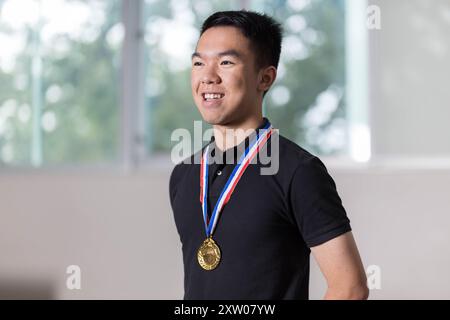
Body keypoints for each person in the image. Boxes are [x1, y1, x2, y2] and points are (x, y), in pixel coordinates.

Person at [169, 10, 368, 300]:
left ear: (265, 77)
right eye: (199, 63)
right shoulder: (185, 175)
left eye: (225, 62)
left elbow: (350, 287)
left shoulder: (298, 171)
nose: (208, 76)